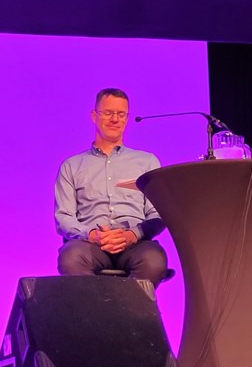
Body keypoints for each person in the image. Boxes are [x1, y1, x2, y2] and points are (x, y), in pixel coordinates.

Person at [55, 88, 168, 284]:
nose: (115, 119)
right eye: (108, 113)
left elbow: (158, 214)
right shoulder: (71, 166)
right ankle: (96, 313)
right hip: (90, 244)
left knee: (154, 260)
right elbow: (63, 217)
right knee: (71, 258)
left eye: (121, 114)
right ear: (94, 116)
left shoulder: (147, 162)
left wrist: (132, 235)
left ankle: (130, 313)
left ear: (126, 118)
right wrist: (92, 235)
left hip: (135, 244)